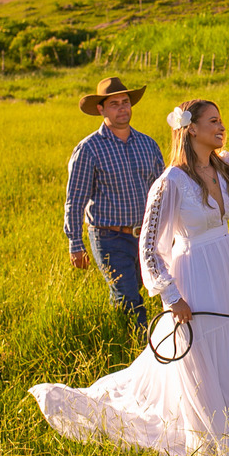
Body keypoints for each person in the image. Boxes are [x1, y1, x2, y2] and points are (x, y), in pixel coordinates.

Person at [30, 91, 229, 456]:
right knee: (197, 358)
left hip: (223, 270)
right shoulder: (171, 182)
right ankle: (209, 449)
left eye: (221, 120)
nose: (222, 126)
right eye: (213, 121)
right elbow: (148, 248)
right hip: (192, 276)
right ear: (191, 130)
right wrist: (172, 297)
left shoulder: (224, 168)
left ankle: (221, 429)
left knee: (223, 353)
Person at [64, 76, 164, 329]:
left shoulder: (147, 144)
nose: (122, 108)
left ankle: (120, 337)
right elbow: (75, 200)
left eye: (125, 102)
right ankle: (139, 352)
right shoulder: (89, 149)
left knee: (147, 290)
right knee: (129, 298)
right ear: (101, 109)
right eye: (114, 104)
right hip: (109, 237)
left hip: (146, 236)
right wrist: (75, 244)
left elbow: (162, 192)